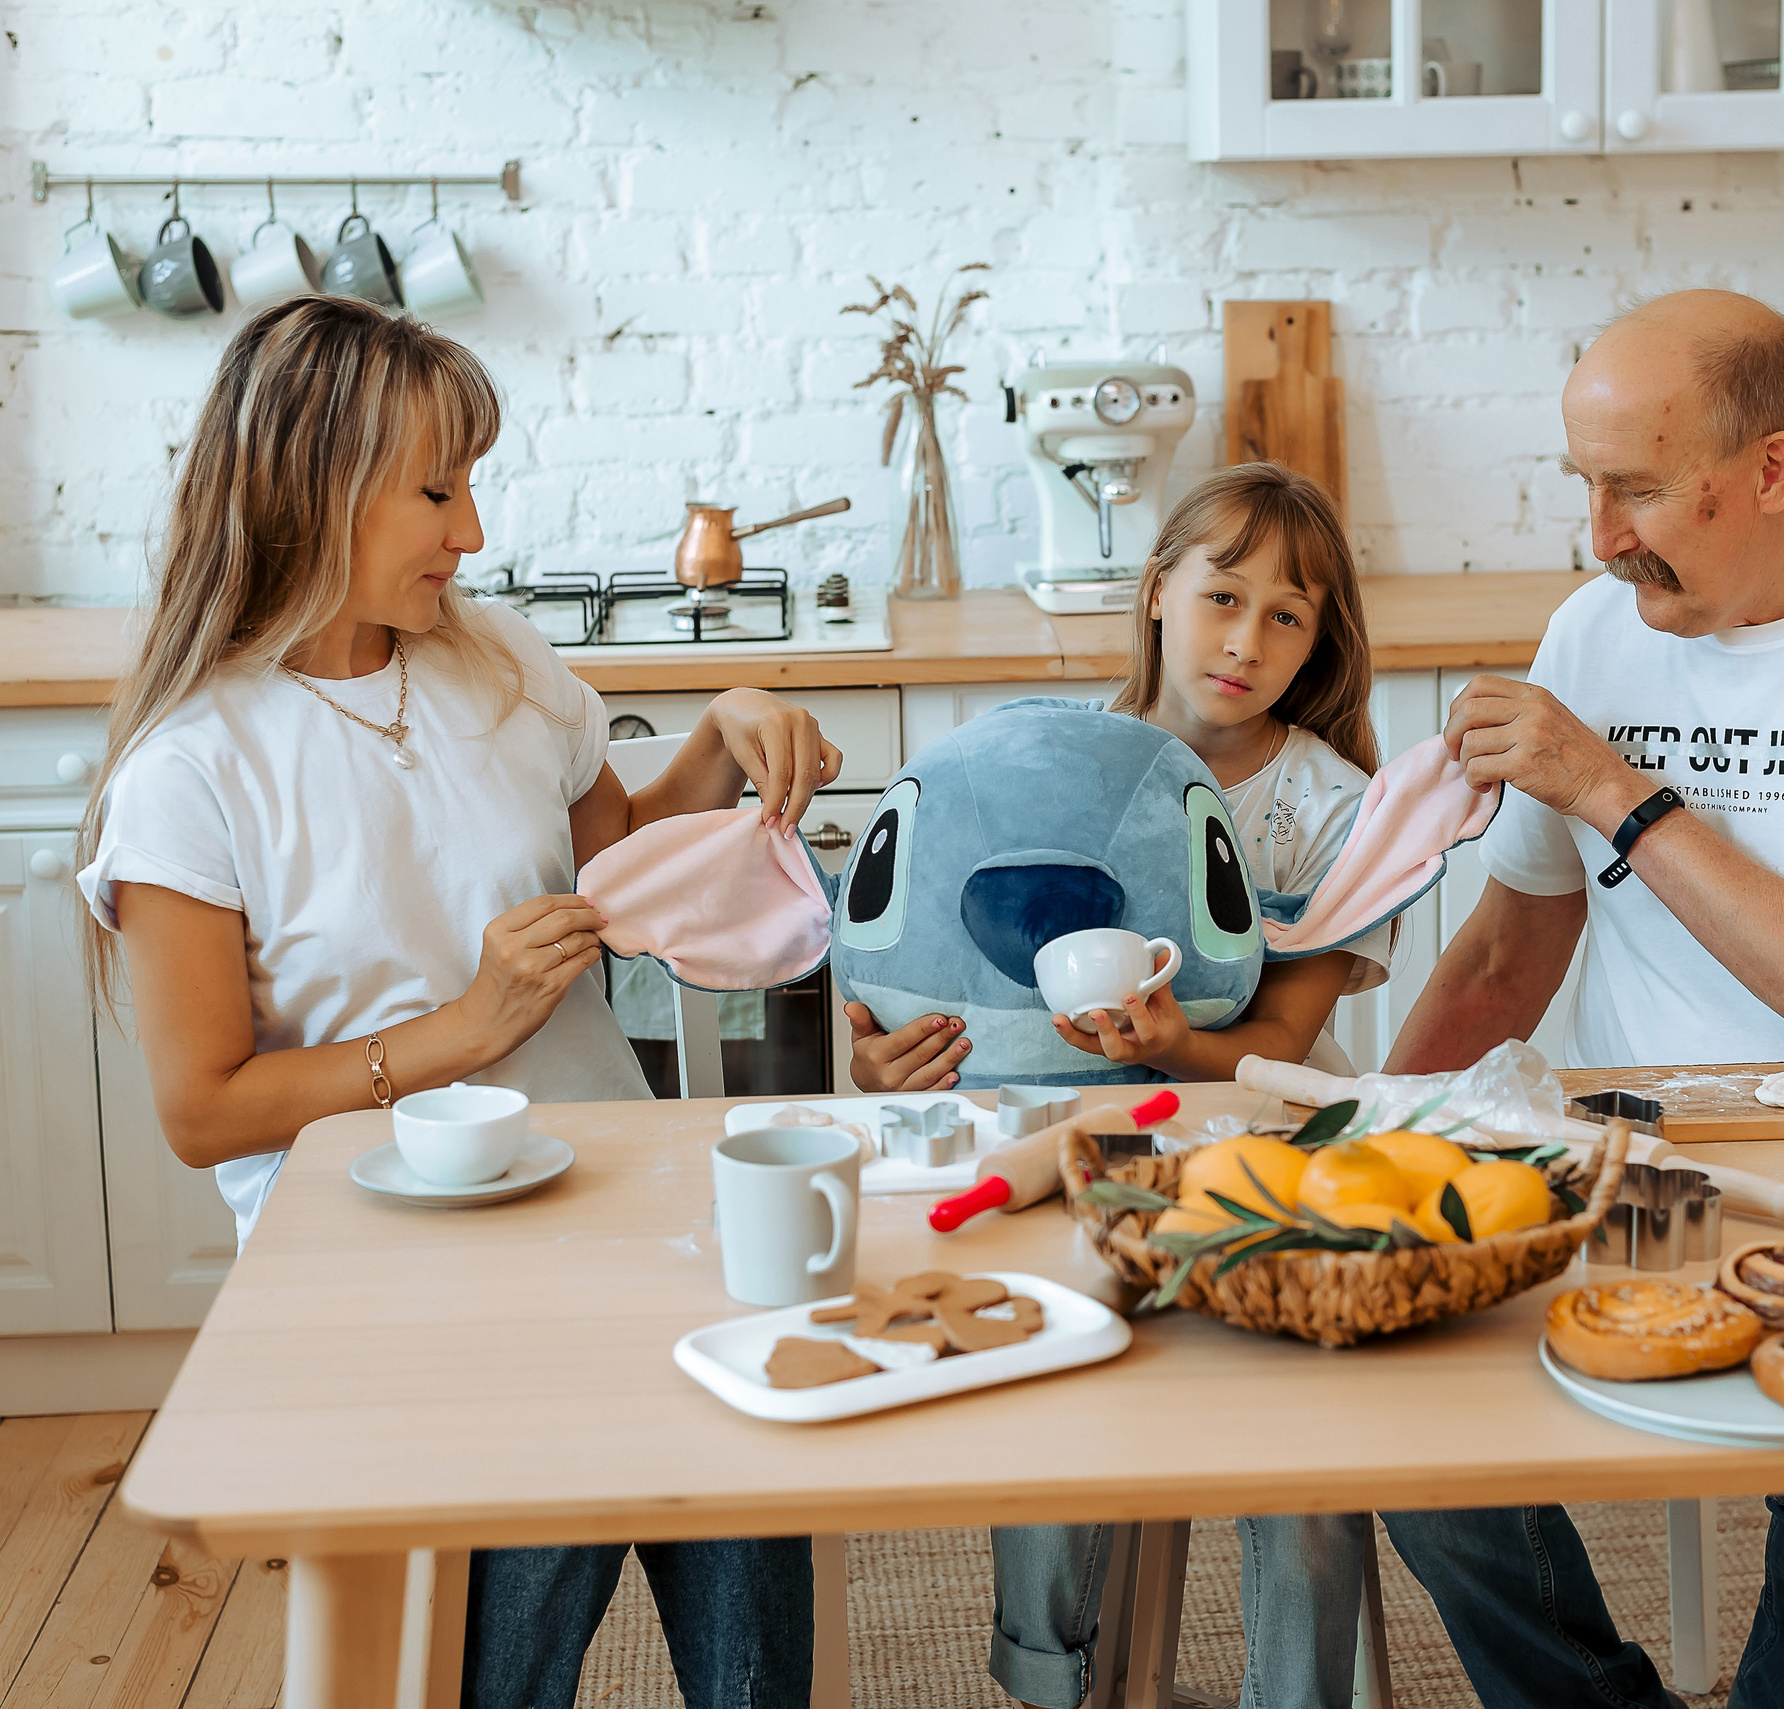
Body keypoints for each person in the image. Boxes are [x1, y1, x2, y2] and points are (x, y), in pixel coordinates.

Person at [72, 297, 835, 1709]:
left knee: (754, 1503)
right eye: (438, 489)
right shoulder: (192, 772)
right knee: (532, 1582)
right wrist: (461, 1036)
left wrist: (727, 738)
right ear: (308, 484)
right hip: (392, 1260)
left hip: (621, 1200)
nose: (470, 533)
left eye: (470, 484)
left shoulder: (500, 667)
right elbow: (201, 1110)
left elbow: (617, 874)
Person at [1373, 289, 1784, 1709]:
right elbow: (1507, 957)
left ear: (1774, 469)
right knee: (1402, 1426)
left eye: (1636, 490)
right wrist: (1372, 1139)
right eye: (1587, 487)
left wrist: (1610, 786)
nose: (1602, 536)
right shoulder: (1596, 629)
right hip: (1631, 1173)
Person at [849, 464, 1393, 1709]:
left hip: (1273, 1155)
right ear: (1156, 595)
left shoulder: (1326, 806)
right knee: (1044, 1379)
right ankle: (1054, 1682)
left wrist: (1161, 1045)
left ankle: (1295, 1695)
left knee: (1295, 1443)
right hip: (1079, 1155)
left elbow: (1288, 1038)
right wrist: (887, 1056)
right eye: (1222, 596)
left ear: (1319, 643)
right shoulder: (1050, 758)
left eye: (1288, 616)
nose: (1246, 640)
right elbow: (929, 964)